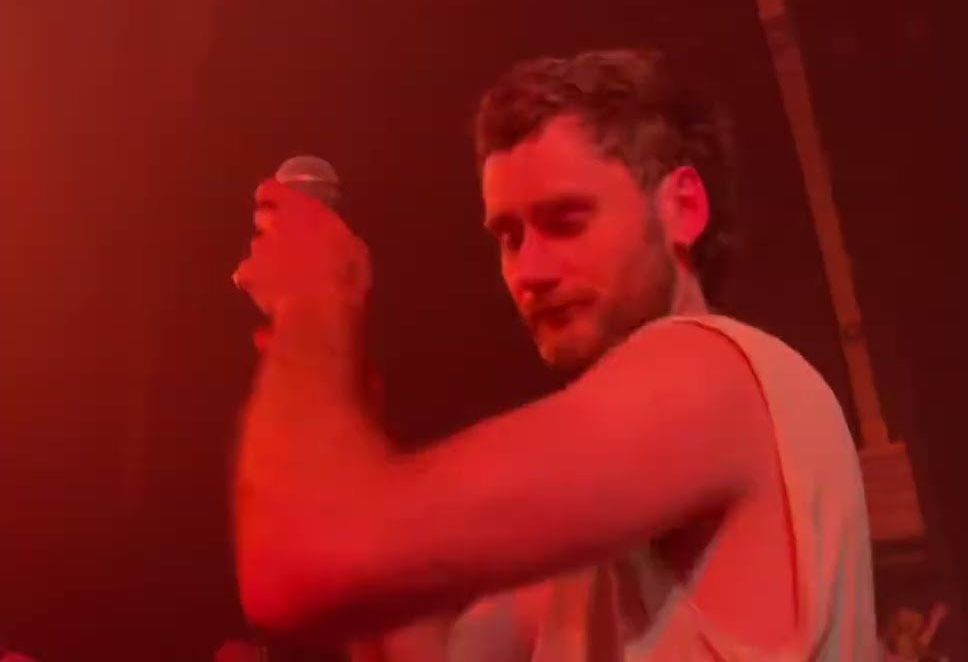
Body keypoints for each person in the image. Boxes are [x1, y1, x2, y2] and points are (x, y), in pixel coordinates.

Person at [231, 48, 877, 660]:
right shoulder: (606, 540)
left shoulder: (711, 372)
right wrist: (337, 398)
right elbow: (395, 620)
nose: (530, 271)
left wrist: (312, 301)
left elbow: (300, 562)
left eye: (566, 222)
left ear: (682, 207)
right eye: (509, 237)